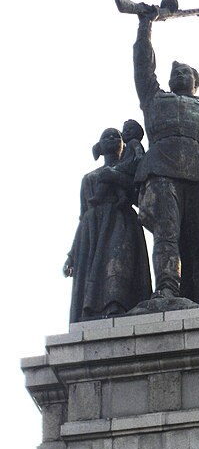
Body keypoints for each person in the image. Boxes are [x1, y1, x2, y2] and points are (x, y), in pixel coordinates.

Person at [132, 9, 199, 304]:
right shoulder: (154, 97)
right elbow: (142, 66)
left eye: (186, 71)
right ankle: (166, 288)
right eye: (175, 72)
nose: (179, 74)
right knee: (166, 235)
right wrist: (145, 25)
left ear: (196, 82)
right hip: (161, 171)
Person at [63, 127, 152, 322]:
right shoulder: (88, 178)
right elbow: (82, 214)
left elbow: (139, 195)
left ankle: (117, 308)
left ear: (123, 145)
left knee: (118, 264)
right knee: (93, 272)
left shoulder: (130, 170)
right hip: (91, 228)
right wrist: (72, 255)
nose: (112, 138)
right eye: (106, 136)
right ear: (100, 147)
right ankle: (90, 313)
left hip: (121, 221)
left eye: (116, 136)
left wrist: (115, 177)